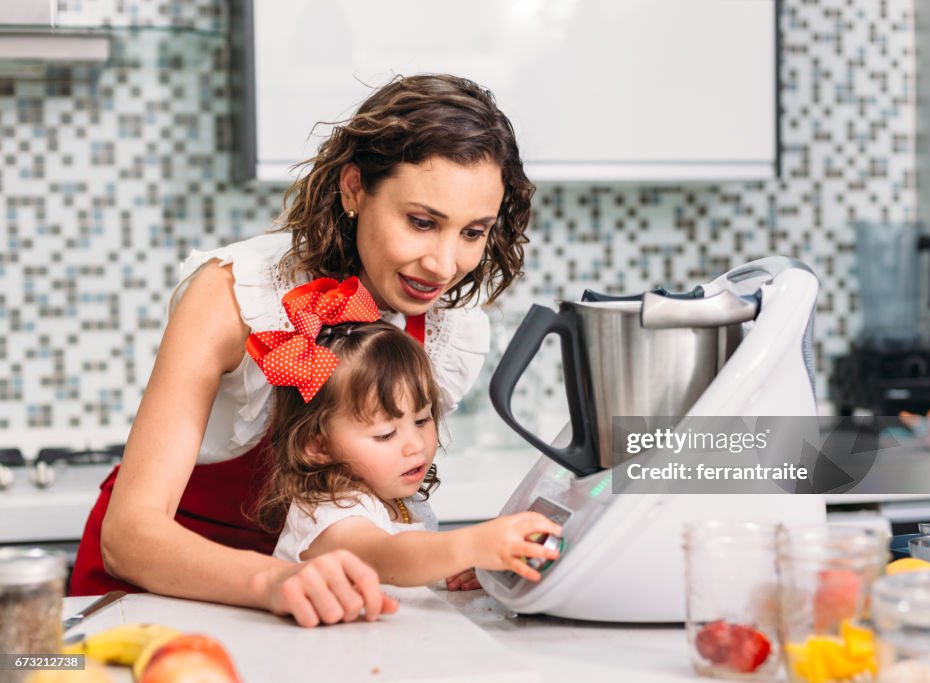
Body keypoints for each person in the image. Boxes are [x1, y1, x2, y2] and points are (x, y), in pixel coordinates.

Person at [69, 74, 535, 627]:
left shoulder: (443, 327)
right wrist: (276, 580)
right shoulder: (233, 295)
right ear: (355, 188)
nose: (443, 264)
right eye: (421, 222)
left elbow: (358, 507)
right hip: (148, 598)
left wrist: (440, 560)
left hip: (305, 606)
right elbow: (130, 537)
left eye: (472, 233)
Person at [251, 277, 561, 589]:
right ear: (317, 446)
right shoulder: (329, 512)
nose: (415, 445)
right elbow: (386, 557)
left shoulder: (394, 497)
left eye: (423, 419)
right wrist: (471, 545)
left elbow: (413, 567)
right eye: (386, 434)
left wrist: (465, 564)